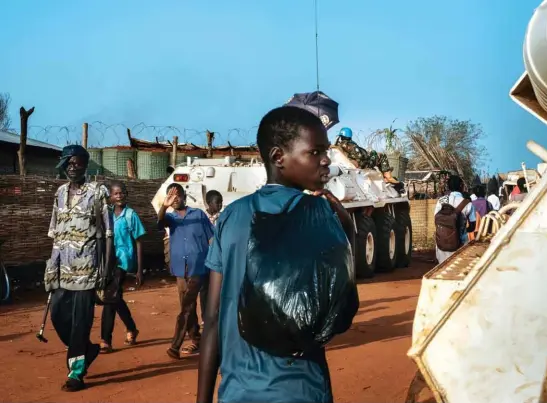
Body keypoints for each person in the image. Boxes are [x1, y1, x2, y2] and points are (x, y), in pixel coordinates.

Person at [197, 106, 356, 403]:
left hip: (237, 391)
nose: (326, 161)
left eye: (327, 152)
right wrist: (348, 228)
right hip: (299, 390)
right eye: (315, 152)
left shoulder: (231, 216)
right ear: (278, 157)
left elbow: (213, 317)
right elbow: (340, 310)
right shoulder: (320, 215)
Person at [45, 145, 113, 392]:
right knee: (58, 315)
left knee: (80, 322)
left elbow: (108, 233)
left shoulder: (97, 193)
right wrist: (51, 267)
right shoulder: (59, 193)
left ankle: (76, 372)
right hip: (63, 269)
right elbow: (55, 234)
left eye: (77, 163)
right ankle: (87, 348)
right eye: (69, 163)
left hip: (88, 269)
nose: (73, 168)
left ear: (86, 165)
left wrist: (106, 270)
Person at [158, 183, 214, 359]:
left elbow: (211, 239)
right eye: (171, 197)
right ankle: (195, 340)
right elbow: (160, 223)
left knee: (204, 307)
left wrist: (217, 264)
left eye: (177, 196)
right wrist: (164, 206)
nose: (175, 200)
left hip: (201, 268)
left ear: (184, 197)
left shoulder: (198, 215)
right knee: (187, 308)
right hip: (181, 271)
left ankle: (184, 344)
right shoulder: (170, 218)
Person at [100, 180, 146, 354]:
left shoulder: (130, 215)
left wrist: (139, 269)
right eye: (115, 193)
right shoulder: (107, 215)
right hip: (107, 262)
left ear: (126, 194)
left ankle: (105, 339)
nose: (119, 196)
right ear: (110, 197)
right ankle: (132, 328)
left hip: (123, 262)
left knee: (110, 297)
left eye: (122, 193)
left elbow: (139, 241)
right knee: (115, 298)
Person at [334, 127, 402, 186]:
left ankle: (385, 171)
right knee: (381, 155)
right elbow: (360, 158)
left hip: (353, 163)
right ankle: (388, 176)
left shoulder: (338, 145)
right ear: (350, 136)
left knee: (372, 153)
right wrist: (368, 158)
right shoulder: (351, 145)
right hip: (363, 164)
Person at [434, 175, 476, 264]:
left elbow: (436, 220)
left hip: (441, 246)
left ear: (448, 187)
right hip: (460, 246)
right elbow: (472, 227)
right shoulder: (468, 203)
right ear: (461, 186)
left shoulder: (440, 201)